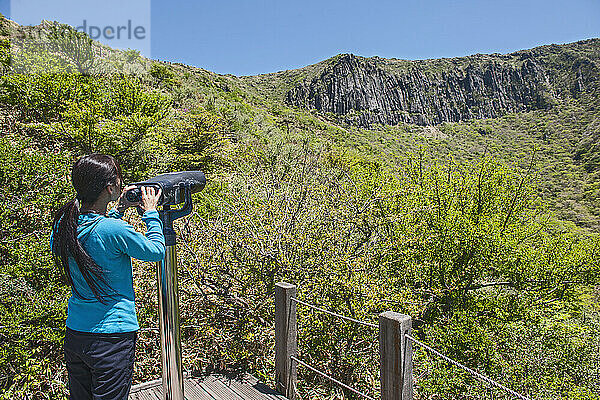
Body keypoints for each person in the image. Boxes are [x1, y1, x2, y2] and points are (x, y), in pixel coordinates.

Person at [50, 154, 165, 399]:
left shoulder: (63, 226)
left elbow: (96, 233)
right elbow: (156, 251)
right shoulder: (113, 230)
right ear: (110, 187)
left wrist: (118, 210)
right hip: (111, 338)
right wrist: (151, 214)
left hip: (77, 333)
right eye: (119, 180)